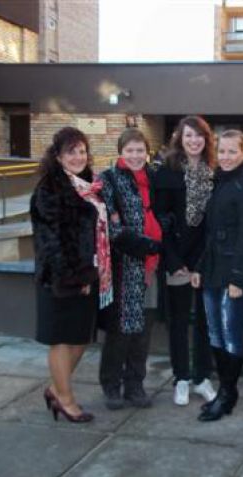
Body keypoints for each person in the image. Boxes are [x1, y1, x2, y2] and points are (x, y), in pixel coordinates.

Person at [31, 127, 112, 423]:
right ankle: (65, 399)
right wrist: (76, 278)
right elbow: (53, 242)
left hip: (89, 276)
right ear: (58, 156)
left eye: (82, 151)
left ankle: (55, 390)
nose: (78, 157)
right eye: (71, 152)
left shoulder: (88, 185)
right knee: (62, 340)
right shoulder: (50, 190)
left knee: (80, 338)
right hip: (61, 279)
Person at [191, 130, 243, 422]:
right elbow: (210, 233)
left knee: (230, 334)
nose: (226, 157)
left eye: (233, 151)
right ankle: (224, 391)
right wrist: (199, 267)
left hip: (234, 271)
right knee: (215, 332)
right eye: (222, 151)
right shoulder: (218, 182)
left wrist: (237, 278)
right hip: (212, 269)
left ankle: (227, 393)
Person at [97, 128, 162, 410]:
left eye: (140, 150)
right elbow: (110, 226)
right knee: (120, 330)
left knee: (143, 329)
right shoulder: (108, 179)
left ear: (147, 152)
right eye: (130, 150)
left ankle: (135, 385)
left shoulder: (154, 178)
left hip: (151, 267)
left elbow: (164, 212)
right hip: (124, 267)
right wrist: (145, 245)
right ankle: (111, 385)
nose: (135, 156)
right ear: (121, 152)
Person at [154, 116, 216, 406]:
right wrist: (174, 260)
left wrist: (200, 264)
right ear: (179, 138)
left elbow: (213, 224)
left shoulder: (213, 172)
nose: (194, 140)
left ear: (206, 139)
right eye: (188, 135)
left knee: (204, 321)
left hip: (205, 259)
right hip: (175, 259)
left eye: (199, 135)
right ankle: (181, 377)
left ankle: (202, 377)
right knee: (178, 321)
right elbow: (160, 222)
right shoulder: (167, 172)